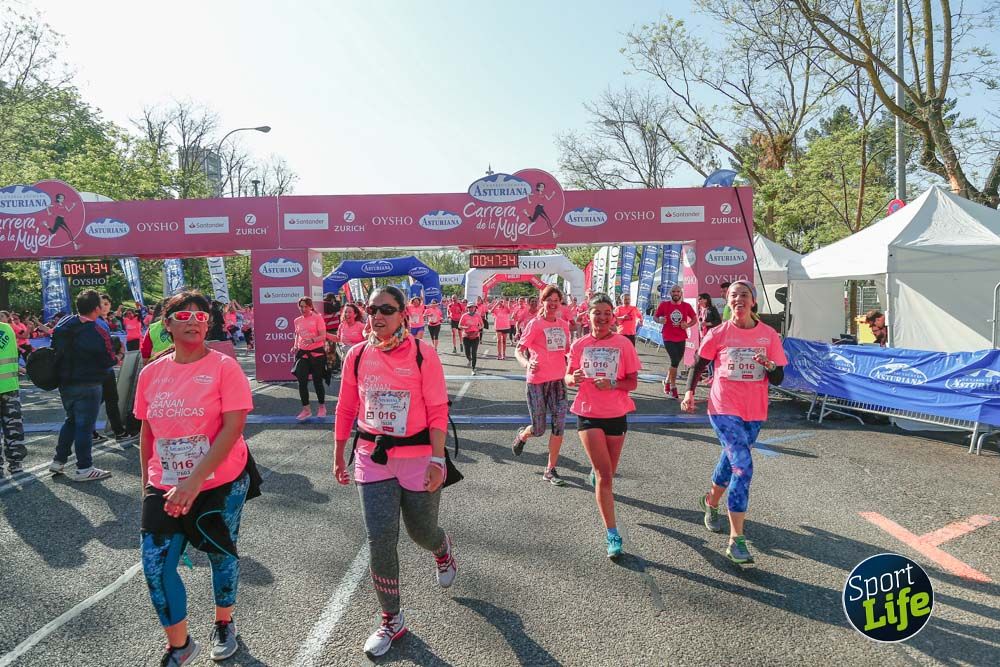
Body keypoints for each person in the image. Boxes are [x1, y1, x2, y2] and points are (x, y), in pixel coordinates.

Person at [135, 290, 258, 665]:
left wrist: (193, 482)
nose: (193, 320)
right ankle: (180, 645)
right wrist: (146, 485)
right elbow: (147, 433)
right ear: (166, 324)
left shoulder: (224, 367)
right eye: (183, 315)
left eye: (200, 316)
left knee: (221, 554)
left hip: (221, 481)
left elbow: (233, 427)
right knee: (155, 565)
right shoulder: (151, 372)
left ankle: (224, 621)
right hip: (165, 483)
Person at [333, 286, 456, 660]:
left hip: (419, 457)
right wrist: (339, 454)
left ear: (404, 313)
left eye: (387, 309)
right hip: (372, 456)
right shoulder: (356, 355)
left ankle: (441, 549)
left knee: (421, 531)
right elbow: (345, 407)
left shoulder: (423, 354)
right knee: (380, 540)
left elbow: (438, 409)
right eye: (372, 309)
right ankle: (392, 617)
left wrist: (437, 460)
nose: (378, 316)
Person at [681, 281, 787, 565]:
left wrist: (769, 366)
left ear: (753, 301)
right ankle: (735, 540)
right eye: (732, 296)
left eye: (744, 295)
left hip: (754, 411)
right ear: (727, 303)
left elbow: (779, 378)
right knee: (743, 466)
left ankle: (710, 502)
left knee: (730, 462)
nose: (738, 299)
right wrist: (690, 392)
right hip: (723, 407)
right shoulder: (718, 333)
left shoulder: (769, 335)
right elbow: (699, 365)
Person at [566, 294, 641, 558]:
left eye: (607, 312)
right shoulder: (579, 344)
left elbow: (632, 382)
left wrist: (613, 384)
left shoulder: (623, 344)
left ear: (613, 316)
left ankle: (596, 475)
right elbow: (568, 376)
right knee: (605, 477)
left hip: (616, 413)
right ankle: (612, 534)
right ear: (588, 316)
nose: (602, 317)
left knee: (608, 470)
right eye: (597, 312)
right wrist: (571, 378)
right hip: (588, 413)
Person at [48, 289, 117, 482]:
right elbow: (108, 359)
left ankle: (59, 460)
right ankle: (84, 467)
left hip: (65, 381)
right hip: (89, 382)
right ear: (96, 308)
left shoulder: (64, 323)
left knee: (71, 420)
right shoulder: (97, 329)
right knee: (85, 426)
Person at [512, 285, 571, 486]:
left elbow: (568, 351)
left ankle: (550, 469)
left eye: (557, 300)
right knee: (538, 429)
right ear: (543, 302)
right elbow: (519, 351)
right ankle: (522, 435)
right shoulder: (535, 324)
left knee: (559, 426)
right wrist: (527, 363)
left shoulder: (563, 325)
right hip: (537, 381)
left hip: (558, 382)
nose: (553, 304)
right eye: (549, 300)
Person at [654, 284, 697, 400]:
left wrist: (687, 325)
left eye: (678, 291)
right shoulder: (664, 305)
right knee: (674, 360)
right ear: (670, 294)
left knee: (676, 362)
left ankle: (667, 381)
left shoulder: (686, 306)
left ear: (681, 293)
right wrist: (660, 320)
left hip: (681, 337)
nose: (676, 293)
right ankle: (673, 386)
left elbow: (695, 319)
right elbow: (655, 317)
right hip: (668, 336)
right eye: (673, 292)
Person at [291, 297, 329, 420]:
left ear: (311, 307)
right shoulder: (297, 320)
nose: (303, 309)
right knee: (301, 381)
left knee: (317, 381)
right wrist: (295, 346)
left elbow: (323, 336)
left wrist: (312, 340)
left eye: (305, 306)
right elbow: (297, 335)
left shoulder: (317, 318)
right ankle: (306, 409)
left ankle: (322, 407)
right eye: (301, 306)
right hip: (303, 354)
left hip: (317, 353)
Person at [0, 311, 25, 476]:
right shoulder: (8, 329)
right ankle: (15, 463)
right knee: (13, 426)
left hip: (9, 385)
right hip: (10, 386)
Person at [458, 301, 484, 374]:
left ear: (475, 308)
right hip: (466, 336)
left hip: (475, 335)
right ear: (467, 308)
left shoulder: (477, 315)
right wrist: (464, 327)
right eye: (470, 307)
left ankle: (473, 368)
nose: (472, 309)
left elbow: (482, 325)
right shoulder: (464, 316)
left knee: (474, 353)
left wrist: (479, 329)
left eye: (473, 307)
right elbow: (459, 325)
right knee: (467, 352)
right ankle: (469, 359)